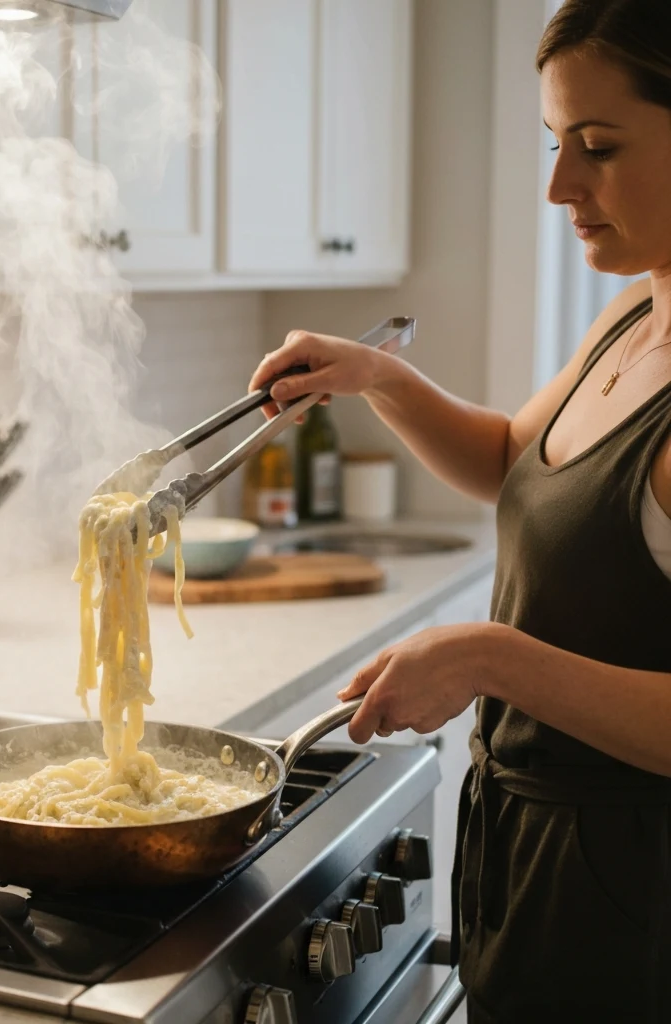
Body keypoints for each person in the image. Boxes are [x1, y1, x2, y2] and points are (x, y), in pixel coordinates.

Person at [248, 1, 671, 1020]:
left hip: (637, 895)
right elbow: (513, 462)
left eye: (598, 145)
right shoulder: (634, 311)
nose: (559, 186)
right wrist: (376, 377)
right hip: (528, 850)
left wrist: (490, 657)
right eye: (555, 142)